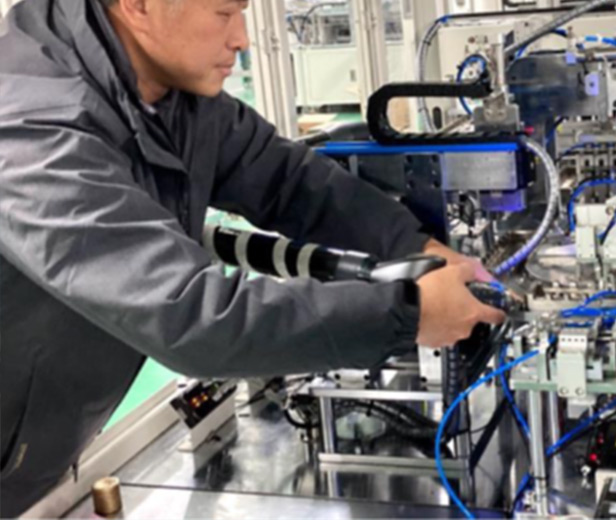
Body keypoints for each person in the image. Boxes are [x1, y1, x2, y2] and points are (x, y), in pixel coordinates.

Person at [0, 0, 505, 515]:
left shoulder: (167, 92)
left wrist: (415, 245)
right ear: (138, 6)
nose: (242, 39)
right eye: (224, 13)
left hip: (40, 439)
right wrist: (408, 315)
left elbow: (287, 180)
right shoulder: (32, 130)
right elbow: (193, 316)